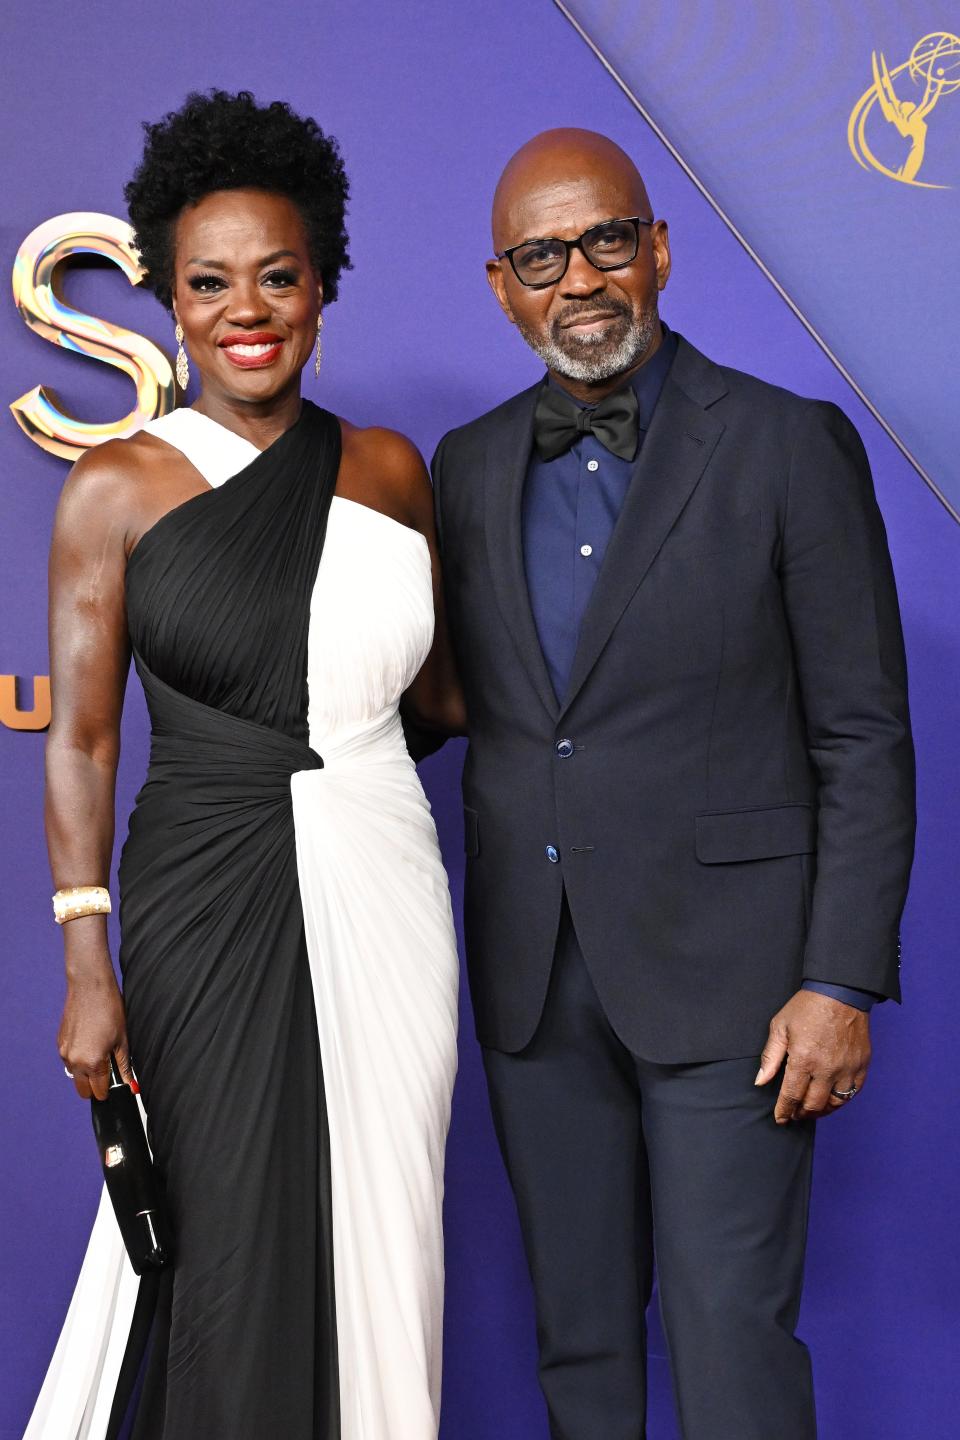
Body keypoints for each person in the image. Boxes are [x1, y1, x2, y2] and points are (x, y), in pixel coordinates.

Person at [431, 128, 914, 1440]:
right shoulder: (464, 469)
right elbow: (455, 701)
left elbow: (862, 733)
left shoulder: (785, 442)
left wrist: (838, 981)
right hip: (537, 981)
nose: (577, 278)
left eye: (604, 241)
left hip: (740, 989)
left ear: (656, 250)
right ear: (500, 284)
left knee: (729, 1344)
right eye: (542, 255)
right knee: (578, 1348)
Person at [27, 90, 462, 1440]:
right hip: (207, 897)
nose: (247, 308)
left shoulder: (391, 471)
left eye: (278, 276)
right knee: (220, 1247)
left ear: (323, 284)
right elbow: (84, 737)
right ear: (168, 300)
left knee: (390, 1233)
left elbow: (440, 698)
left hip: (388, 885)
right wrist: (86, 963)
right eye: (210, 282)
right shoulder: (117, 488)